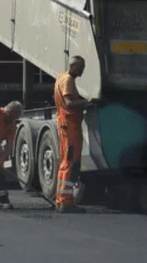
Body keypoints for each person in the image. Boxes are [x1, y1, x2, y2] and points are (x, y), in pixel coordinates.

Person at [54, 56, 91, 214]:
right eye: (81, 67)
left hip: (67, 125)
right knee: (70, 163)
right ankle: (65, 202)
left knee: (66, 162)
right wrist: (88, 102)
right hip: (70, 126)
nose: (83, 70)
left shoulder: (61, 77)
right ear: (74, 66)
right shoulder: (68, 80)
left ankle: (61, 199)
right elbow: (69, 103)